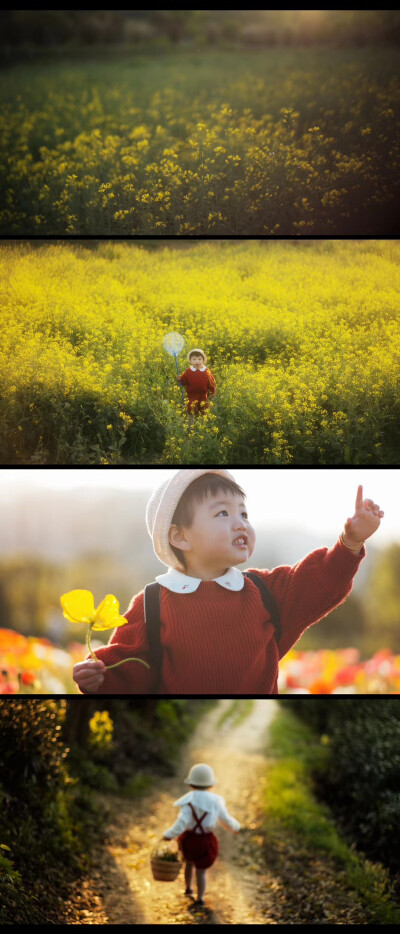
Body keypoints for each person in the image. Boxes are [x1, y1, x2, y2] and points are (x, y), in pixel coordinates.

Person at [73, 468, 384, 695]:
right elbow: (128, 669)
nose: (240, 524)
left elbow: (319, 582)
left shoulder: (264, 591)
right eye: (222, 514)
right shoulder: (152, 603)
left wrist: (350, 541)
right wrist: (97, 677)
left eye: (244, 514)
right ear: (179, 536)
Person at [162, 762, 240, 909]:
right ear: (211, 785)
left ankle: (188, 889)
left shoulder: (188, 801)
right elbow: (225, 819)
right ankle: (200, 898)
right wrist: (235, 827)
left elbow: (181, 822)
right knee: (201, 871)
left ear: (191, 784)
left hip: (189, 839)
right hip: (206, 840)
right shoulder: (216, 801)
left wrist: (168, 835)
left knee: (189, 863)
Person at [176, 348, 216, 415]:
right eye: (194, 359)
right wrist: (180, 379)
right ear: (190, 361)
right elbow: (184, 381)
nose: (197, 361)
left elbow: (212, 382)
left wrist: (213, 392)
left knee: (204, 410)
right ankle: (192, 422)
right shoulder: (189, 371)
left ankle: (202, 423)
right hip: (191, 395)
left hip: (203, 395)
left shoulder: (206, 371)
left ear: (203, 360)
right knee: (191, 409)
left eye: (199, 359)